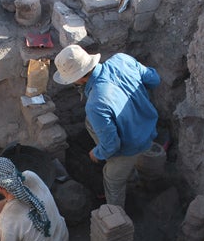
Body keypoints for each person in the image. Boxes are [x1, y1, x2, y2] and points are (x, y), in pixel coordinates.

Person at [54, 45, 161, 209]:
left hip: (131, 145)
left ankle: (116, 218)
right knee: (92, 123)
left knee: (112, 179)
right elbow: (154, 79)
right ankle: (136, 176)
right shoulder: (122, 59)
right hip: (149, 126)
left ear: (79, 78)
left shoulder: (95, 104)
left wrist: (97, 153)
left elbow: (112, 144)